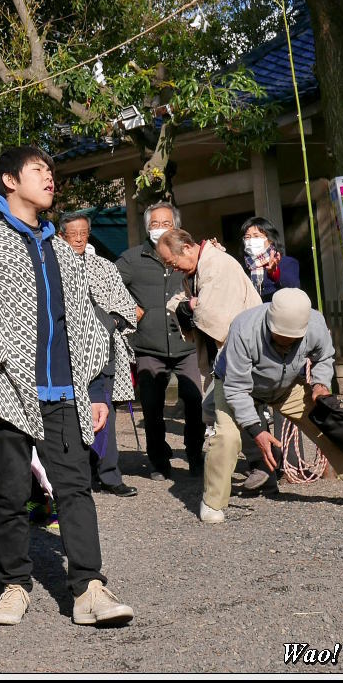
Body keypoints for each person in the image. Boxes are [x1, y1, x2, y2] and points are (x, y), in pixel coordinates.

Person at [0, 146, 133, 629]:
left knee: (75, 488)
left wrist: (95, 389)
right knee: (9, 490)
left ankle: (88, 586)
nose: (49, 178)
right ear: (9, 179)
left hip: (64, 388)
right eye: (38, 170)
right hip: (4, 384)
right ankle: (14, 583)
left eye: (50, 170)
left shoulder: (62, 248)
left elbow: (85, 320)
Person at [199, 288, 343, 523]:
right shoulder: (244, 328)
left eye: (292, 341)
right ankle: (212, 502)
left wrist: (321, 384)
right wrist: (256, 431)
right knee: (227, 437)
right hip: (236, 385)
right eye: (279, 339)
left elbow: (324, 357)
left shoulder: (315, 323)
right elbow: (237, 388)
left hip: (286, 386)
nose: (286, 345)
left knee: (328, 424)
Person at [155, 228, 266, 496]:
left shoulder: (216, 266)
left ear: (188, 248)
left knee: (230, 412)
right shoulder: (198, 267)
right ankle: (262, 468)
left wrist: (192, 307)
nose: (174, 268)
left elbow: (215, 315)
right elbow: (184, 303)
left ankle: (256, 468)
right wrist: (187, 306)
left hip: (238, 349)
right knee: (232, 412)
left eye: (172, 262)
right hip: (226, 352)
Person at [116, 202, 209, 480]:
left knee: (195, 402)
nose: (159, 229)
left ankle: (195, 455)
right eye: (154, 224)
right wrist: (126, 307)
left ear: (176, 226)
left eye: (165, 224)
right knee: (153, 406)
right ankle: (158, 460)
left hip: (188, 343)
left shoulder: (193, 257)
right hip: (148, 345)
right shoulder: (132, 259)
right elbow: (109, 286)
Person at [59, 212, 140, 498]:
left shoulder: (104, 267)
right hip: (65, 351)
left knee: (104, 411)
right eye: (73, 234)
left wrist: (110, 322)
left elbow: (126, 306)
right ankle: (77, 476)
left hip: (105, 349)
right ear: (61, 236)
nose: (79, 239)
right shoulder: (54, 266)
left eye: (84, 232)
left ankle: (109, 473)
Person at [238, 216, 302, 302]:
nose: (251, 240)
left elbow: (293, 291)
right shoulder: (242, 268)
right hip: (252, 314)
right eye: (247, 237)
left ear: (270, 239)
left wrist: (274, 273)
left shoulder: (287, 263)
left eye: (256, 236)